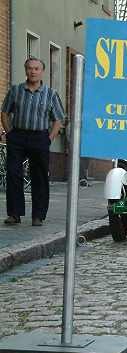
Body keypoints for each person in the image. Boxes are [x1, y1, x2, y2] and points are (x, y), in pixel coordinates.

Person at [1, 57, 65, 226]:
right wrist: (10, 133)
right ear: (26, 70)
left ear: (41, 71)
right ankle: (14, 214)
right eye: (30, 68)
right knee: (13, 174)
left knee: (40, 176)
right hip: (17, 137)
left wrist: (49, 139)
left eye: (36, 68)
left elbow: (58, 119)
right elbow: (5, 112)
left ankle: (38, 216)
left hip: (40, 138)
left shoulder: (51, 94)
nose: (33, 71)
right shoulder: (16, 91)